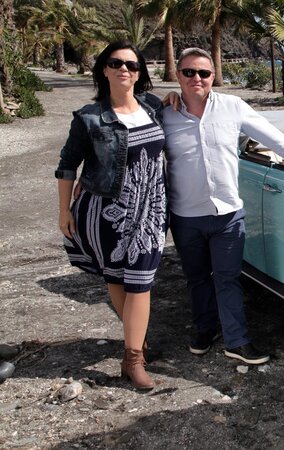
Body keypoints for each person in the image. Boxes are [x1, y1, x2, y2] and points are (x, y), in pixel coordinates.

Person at [162, 48, 284, 365]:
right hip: (185, 216)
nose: (196, 78)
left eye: (204, 73)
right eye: (189, 72)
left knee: (228, 278)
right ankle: (205, 330)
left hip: (227, 215)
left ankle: (237, 341)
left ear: (213, 76)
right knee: (196, 278)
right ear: (178, 75)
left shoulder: (232, 106)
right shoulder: (165, 113)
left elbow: (269, 134)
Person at [55, 41, 166, 391]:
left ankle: (133, 356)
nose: (124, 70)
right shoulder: (89, 117)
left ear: (140, 72)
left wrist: (176, 98)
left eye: (132, 65)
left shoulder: (153, 106)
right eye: (116, 63)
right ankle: (136, 351)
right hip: (106, 211)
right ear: (104, 69)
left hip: (151, 209)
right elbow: (67, 166)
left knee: (141, 281)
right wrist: (63, 211)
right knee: (117, 280)